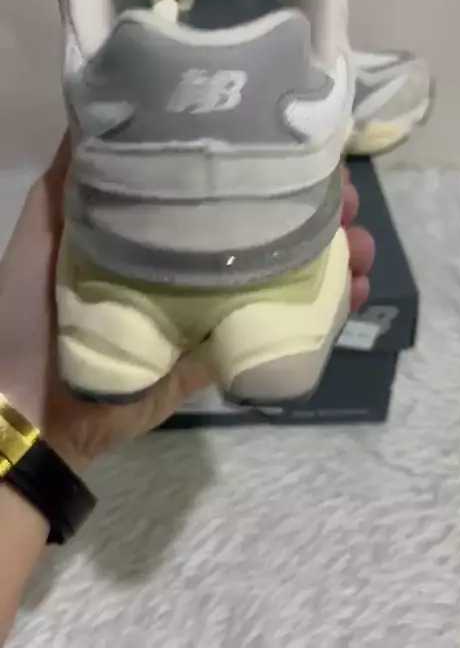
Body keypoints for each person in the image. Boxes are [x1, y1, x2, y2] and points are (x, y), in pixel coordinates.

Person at [0, 135, 374, 642]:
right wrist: (37, 418)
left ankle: (263, 312)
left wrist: (28, 408)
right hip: (122, 254)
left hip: (272, 235)